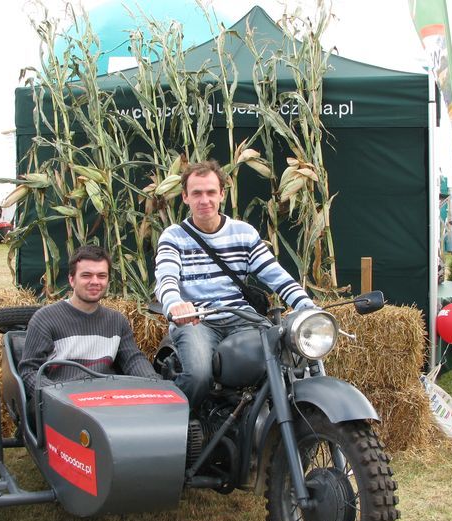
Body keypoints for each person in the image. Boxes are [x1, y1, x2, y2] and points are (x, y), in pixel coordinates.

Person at [154, 160, 315, 407]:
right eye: (196, 193)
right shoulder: (174, 236)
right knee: (198, 376)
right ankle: (181, 432)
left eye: (210, 192)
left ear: (222, 194)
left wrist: (306, 306)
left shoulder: (243, 233)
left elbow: (276, 276)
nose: (204, 200)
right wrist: (175, 304)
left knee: (288, 360)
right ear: (185, 197)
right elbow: (166, 277)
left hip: (242, 318)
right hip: (197, 319)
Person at [19, 245, 157, 398]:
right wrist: (55, 396)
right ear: (71, 280)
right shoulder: (45, 318)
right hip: (62, 401)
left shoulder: (117, 321)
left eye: (102, 276)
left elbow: (133, 360)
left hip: (106, 400)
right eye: (86, 275)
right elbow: (29, 372)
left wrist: (154, 383)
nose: (95, 281)